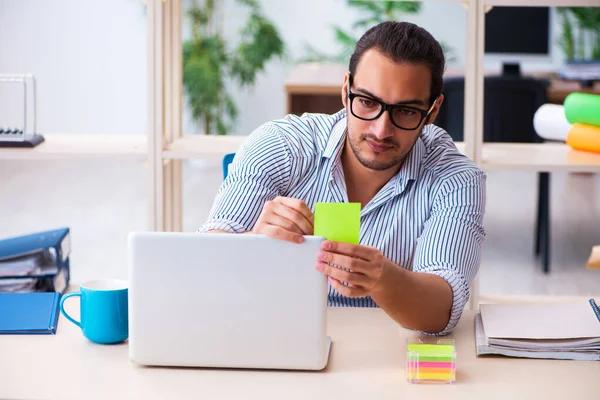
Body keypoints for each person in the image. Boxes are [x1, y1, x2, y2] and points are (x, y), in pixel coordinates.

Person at [198, 21, 486, 335]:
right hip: (273, 336)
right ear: (346, 90)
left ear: (432, 111)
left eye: (406, 111)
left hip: (385, 357)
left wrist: (382, 277)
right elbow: (207, 260)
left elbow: (441, 311)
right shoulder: (281, 144)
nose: (381, 130)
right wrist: (253, 244)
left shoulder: (456, 180)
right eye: (367, 102)